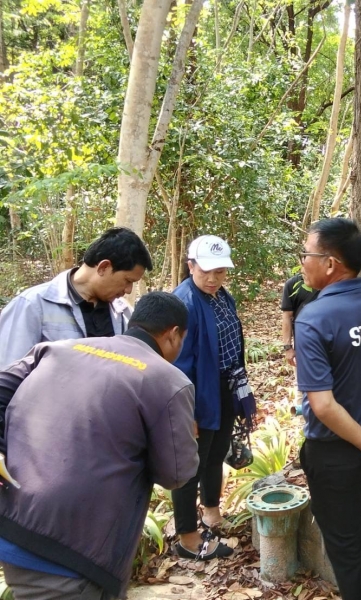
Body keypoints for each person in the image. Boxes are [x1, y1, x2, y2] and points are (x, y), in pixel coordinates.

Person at [0, 292, 198, 600]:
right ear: (173, 334)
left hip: (13, 524)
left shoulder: (58, 349)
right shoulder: (168, 381)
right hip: (71, 552)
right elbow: (176, 474)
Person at [294, 218, 361, 600]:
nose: (302, 262)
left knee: (345, 546)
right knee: (349, 522)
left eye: (307, 254)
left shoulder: (313, 318)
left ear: (330, 264)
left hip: (337, 447)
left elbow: (323, 405)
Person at [170, 234, 256, 560]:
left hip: (224, 386)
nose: (213, 278)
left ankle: (211, 513)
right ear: (191, 265)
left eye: (220, 271)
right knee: (192, 462)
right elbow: (179, 364)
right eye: (206, 270)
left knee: (216, 451)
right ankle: (187, 538)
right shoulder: (184, 303)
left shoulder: (221, 296)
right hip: (198, 391)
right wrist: (187, 411)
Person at [0, 227, 153, 368]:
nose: (128, 290)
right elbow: (8, 373)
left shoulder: (123, 313)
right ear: (103, 267)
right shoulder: (33, 305)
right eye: (127, 281)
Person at [280, 272, 318, 366]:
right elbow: (287, 316)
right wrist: (288, 347)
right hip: (303, 346)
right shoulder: (292, 284)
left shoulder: (330, 283)